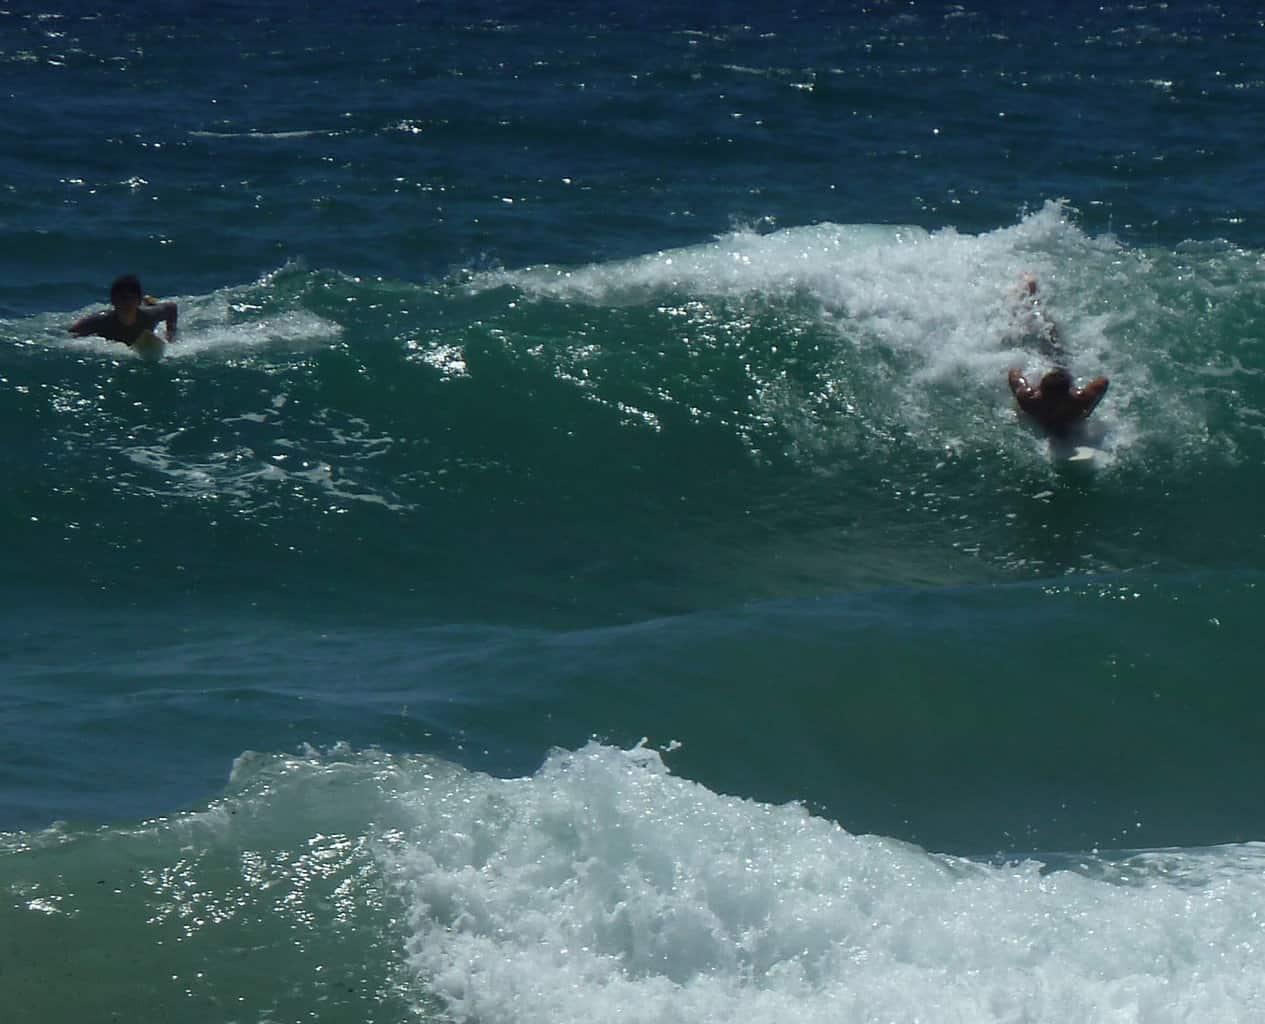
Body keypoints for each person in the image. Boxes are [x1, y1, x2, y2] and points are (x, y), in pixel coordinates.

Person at [68, 274, 177, 348]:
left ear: (137, 300)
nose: (126, 303)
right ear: (113, 301)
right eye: (122, 298)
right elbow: (71, 333)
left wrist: (170, 335)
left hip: (143, 312)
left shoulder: (149, 316)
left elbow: (171, 308)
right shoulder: (102, 321)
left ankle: (148, 300)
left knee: (149, 306)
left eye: (131, 298)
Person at [1008, 366, 1109, 437]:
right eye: (1050, 401)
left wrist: (1087, 412)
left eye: (1056, 401)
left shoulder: (1081, 400)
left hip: (1062, 372)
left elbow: (1103, 382)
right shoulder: (1027, 399)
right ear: (1040, 390)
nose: (1053, 405)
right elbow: (1014, 374)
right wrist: (1019, 408)